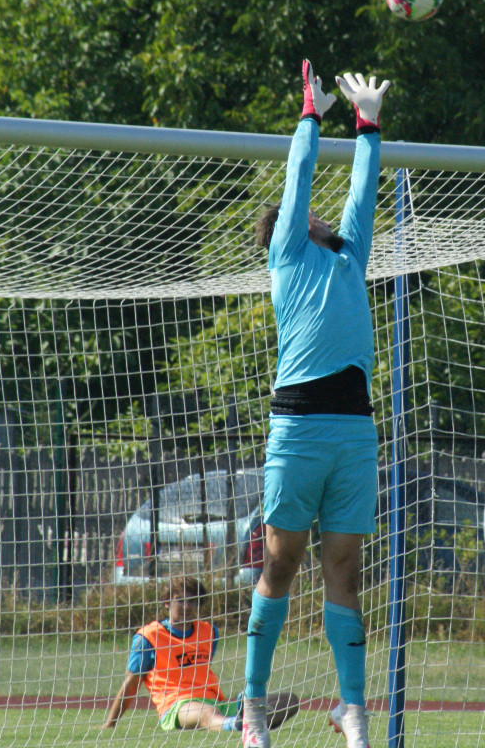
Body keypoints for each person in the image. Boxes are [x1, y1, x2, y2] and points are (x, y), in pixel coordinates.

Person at [240, 59, 390, 748]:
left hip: (354, 432)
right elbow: (298, 182)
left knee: (346, 571)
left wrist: (367, 125)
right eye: (307, 218)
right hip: (297, 428)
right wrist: (309, 116)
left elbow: (362, 194)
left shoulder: (348, 257)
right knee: (280, 563)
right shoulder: (290, 259)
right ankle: (252, 707)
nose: (323, 217)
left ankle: (351, 712)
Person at [102, 576, 299, 733]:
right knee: (206, 712)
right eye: (181, 601)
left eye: (193, 602)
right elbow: (131, 683)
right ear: (167, 603)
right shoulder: (148, 637)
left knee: (289, 700)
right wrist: (110, 723)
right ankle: (238, 725)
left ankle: (246, 723)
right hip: (177, 707)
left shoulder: (209, 632)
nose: (187, 607)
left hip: (218, 704)